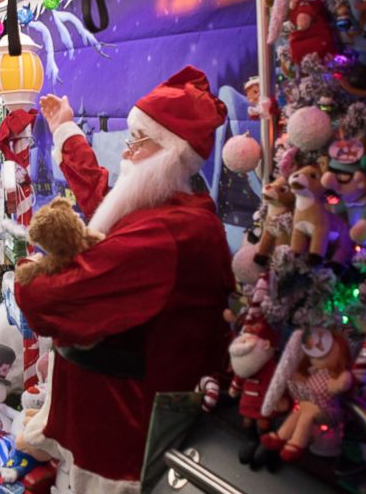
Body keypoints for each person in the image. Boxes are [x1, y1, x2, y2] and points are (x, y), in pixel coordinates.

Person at [16, 66, 235, 493]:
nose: (126, 153)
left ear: (169, 154)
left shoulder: (165, 235)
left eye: (137, 141)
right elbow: (104, 197)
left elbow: (52, 299)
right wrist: (65, 129)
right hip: (105, 424)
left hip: (121, 443)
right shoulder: (170, 207)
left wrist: (26, 282)